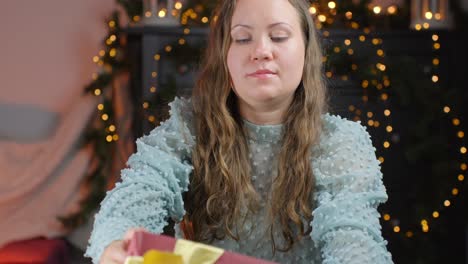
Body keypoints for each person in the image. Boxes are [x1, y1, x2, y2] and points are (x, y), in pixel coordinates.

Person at [85, 0, 394, 263]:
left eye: (279, 36)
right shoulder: (187, 129)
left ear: (306, 50)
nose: (261, 50)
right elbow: (138, 192)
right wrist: (115, 242)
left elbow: (355, 237)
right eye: (243, 38)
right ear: (224, 56)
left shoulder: (340, 142)